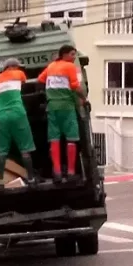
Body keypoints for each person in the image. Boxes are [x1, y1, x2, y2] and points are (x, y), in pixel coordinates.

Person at [0, 58, 37, 189]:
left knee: (1, 150)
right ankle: (31, 178)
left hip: (2, 116)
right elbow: (23, 81)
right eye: (18, 66)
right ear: (12, 67)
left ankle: (0, 180)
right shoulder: (18, 74)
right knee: (25, 148)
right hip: (19, 114)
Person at [37, 44, 85, 183]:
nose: (74, 57)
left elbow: (40, 79)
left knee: (54, 139)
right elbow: (76, 86)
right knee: (71, 138)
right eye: (72, 54)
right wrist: (84, 99)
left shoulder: (51, 66)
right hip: (67, 106)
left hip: (52, 107)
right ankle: (70, 172)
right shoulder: (70, 67)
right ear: (64, 54)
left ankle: (57, 172)